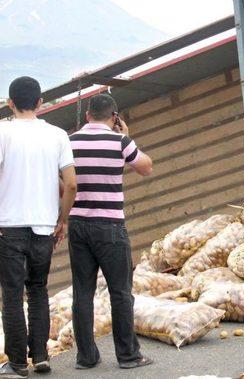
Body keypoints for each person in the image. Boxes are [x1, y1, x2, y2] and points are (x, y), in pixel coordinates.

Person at [68, 94, 153, 370]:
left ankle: (86, 357)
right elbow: (145, 167)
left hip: (78, 224)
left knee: (82, 292)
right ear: (114, 117)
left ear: (87, 116)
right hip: (110, 227)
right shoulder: (119, 141)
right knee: (120, 292)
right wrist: (128, 137)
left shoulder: (69, 142)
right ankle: (128, 356)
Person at [0, 76, 77, 378]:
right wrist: (62, 219)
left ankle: (17, 363)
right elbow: (71, 183)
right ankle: (41, 356)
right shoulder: (57, 135)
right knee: (38, 291)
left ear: (9, 103)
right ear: (40, 103)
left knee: (11, 295)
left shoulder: (2, 132)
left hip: (9, 228)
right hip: (44, 227)